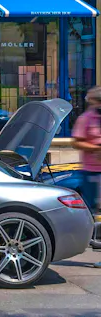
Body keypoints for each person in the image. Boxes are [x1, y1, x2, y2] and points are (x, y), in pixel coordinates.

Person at [72, 86, 101, 264]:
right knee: (92, 212)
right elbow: (76, 142)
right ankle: (93, 242)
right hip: (92, 172)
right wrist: (96, 148)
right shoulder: (86, 119)